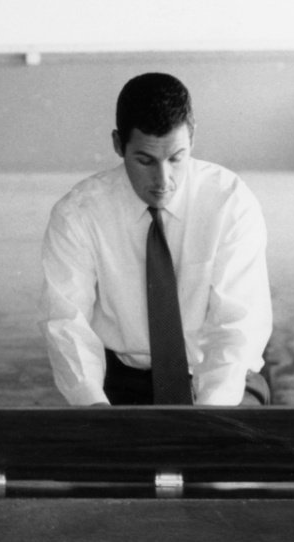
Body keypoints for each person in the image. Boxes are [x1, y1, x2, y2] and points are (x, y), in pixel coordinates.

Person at [38, 72, 271, 407]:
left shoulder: (229, 201)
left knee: (231, 455)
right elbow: (65, 320)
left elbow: (237, 324)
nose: (163, 180)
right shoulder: (78, 214)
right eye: (145, 160)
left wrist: (209, 417)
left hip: (221, 378)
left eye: (176, 158)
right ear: (119, 145)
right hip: (123, 381)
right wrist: (94, 409)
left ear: (193, 137)